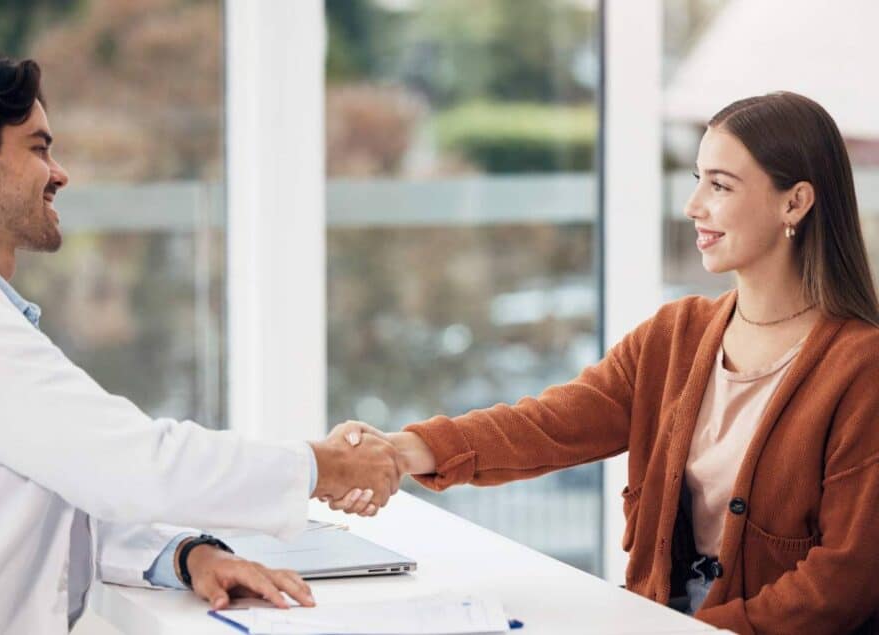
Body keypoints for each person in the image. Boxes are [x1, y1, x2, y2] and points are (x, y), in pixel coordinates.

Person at [0, 47, 400, 634]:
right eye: (38, 148)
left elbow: (67, 481)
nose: (59, 173)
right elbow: (133, 463)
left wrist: (188, 555)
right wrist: (322, 466)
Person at [328, 92, 879, 634]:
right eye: (698, 180)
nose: (693, 206)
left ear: (795, 202)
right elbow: (549, 425)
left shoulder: (861, 369)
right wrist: (401, 449)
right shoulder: (675, 335)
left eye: (720, 185)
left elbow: (840, 583)